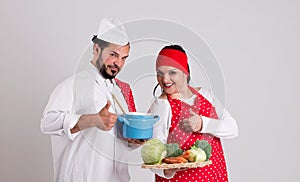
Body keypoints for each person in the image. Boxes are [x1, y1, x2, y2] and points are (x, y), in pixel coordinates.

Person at [41, 18, 142, 182]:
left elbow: (119, 142)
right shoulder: (72, 85)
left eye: (124, 58)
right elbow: (47, 122)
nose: (118, 63)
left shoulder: (121, 91)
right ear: (97, 49)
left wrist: (133, 140)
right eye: (113, 55)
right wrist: (92, 120)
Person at [148, 45, 239, 181]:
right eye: (160, 73)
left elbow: (232, 128)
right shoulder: (161, 105)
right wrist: (169, 168)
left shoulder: (206, 95)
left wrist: (203, 123)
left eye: (172, 73)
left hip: (216, 176)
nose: (165, 80)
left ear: (185, 72)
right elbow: (152, 155)